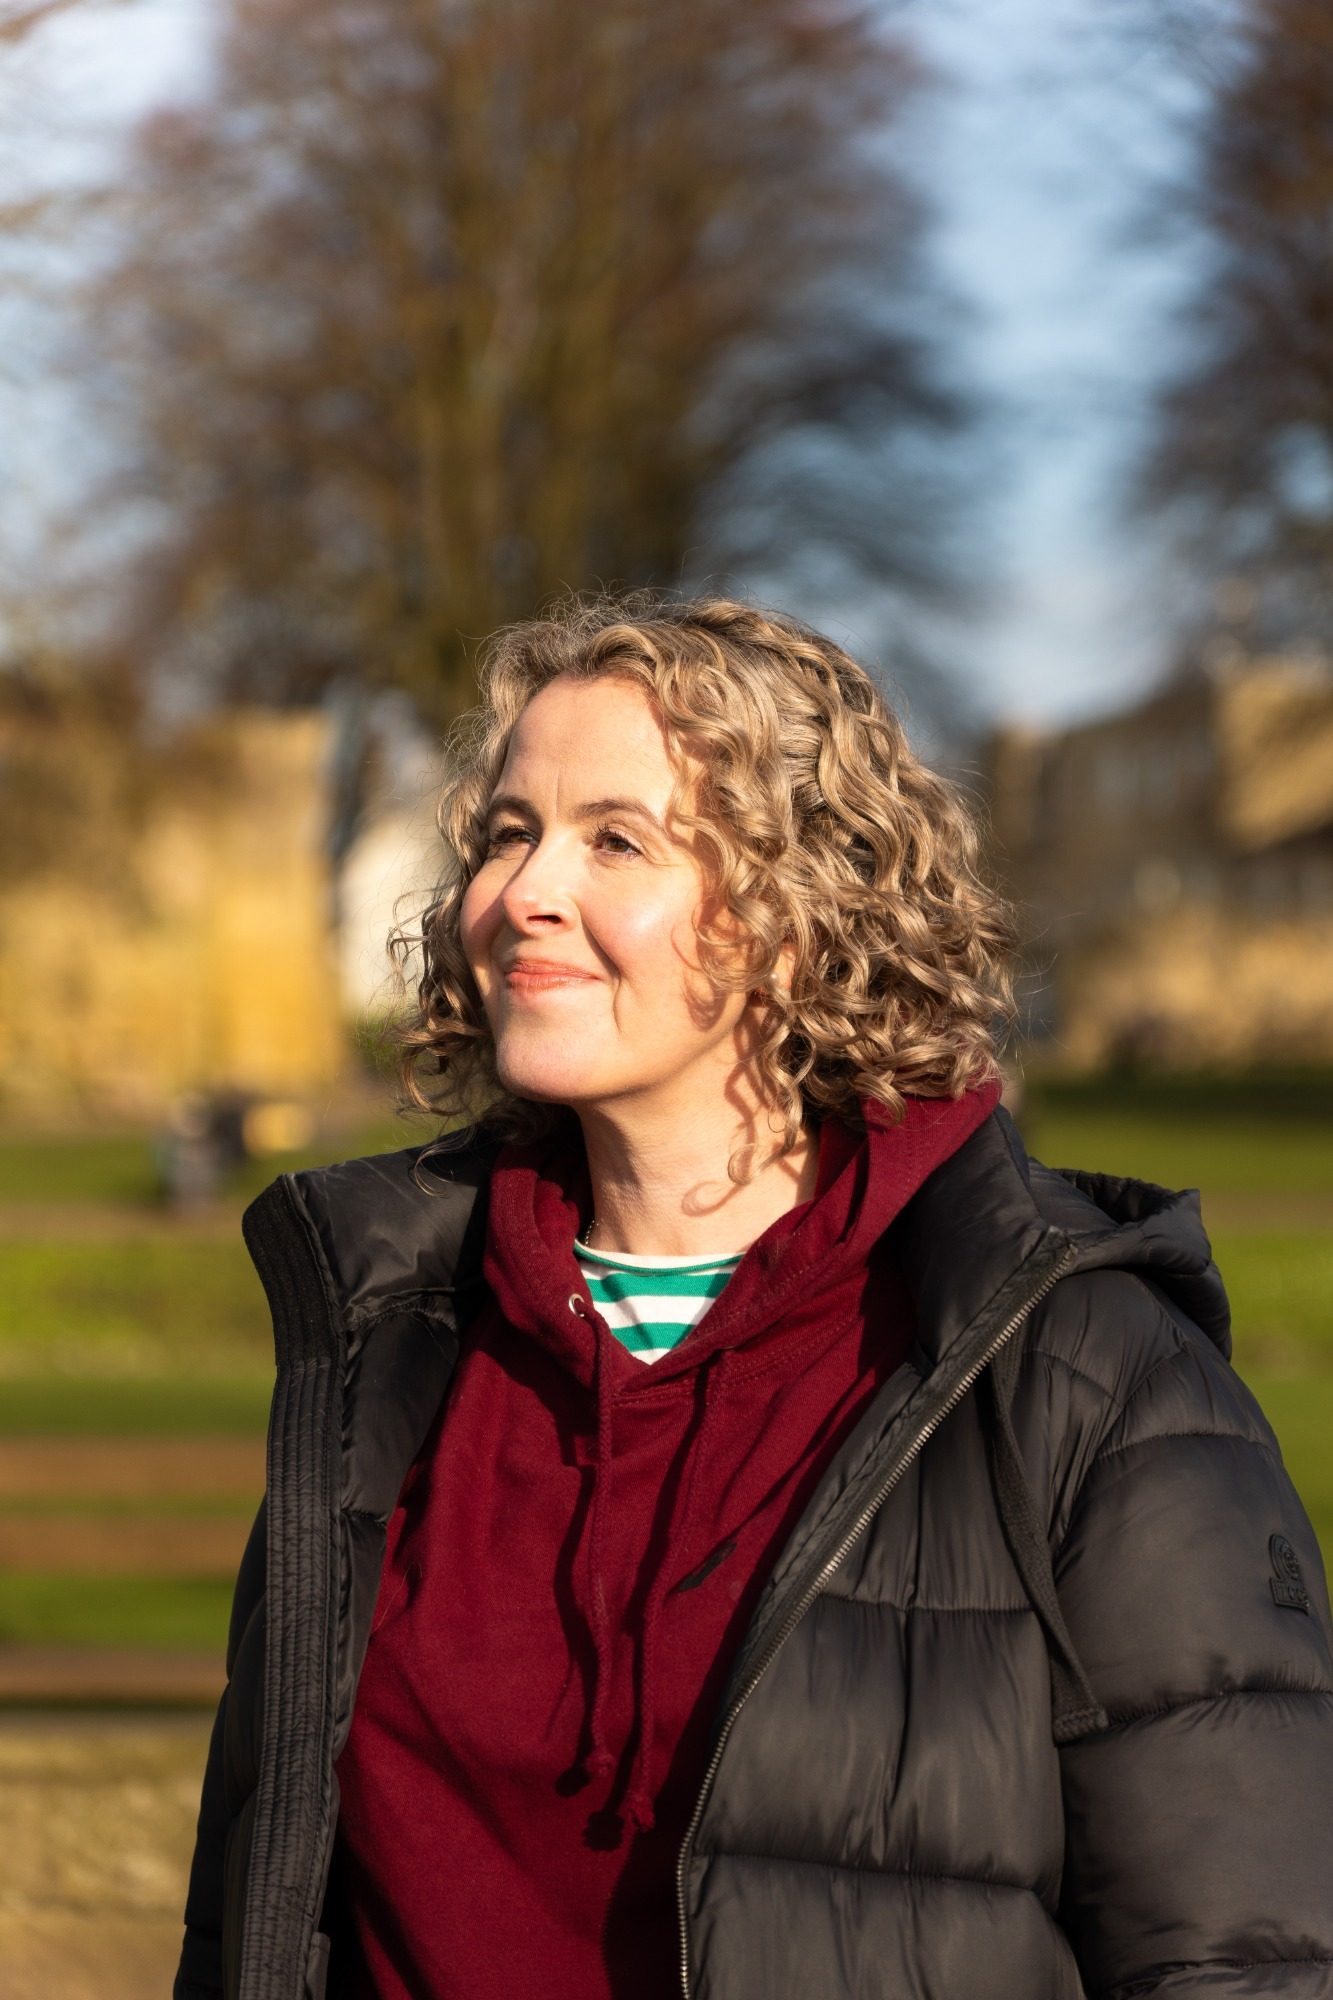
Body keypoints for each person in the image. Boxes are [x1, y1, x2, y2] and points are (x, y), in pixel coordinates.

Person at [175, 595, 1333, 2000]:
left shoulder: (1086, 1374)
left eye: (616, 838)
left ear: (800, 912)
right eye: (505, 832)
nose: (524, 892)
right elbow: (253, 1915)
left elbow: (1243, 1959)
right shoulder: (384, 1344)